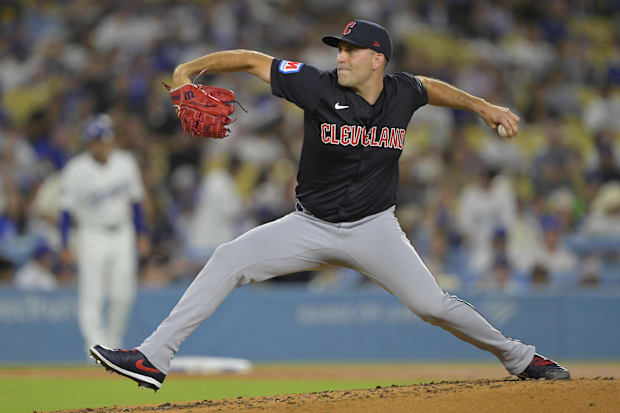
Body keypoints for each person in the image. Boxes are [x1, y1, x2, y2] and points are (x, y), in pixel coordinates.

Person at [89, 20, 569, 391]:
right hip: (309, 225)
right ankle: (154, 357)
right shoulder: (316, 86)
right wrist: (189, 70)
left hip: (374, 228)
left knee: (431, 304)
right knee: (227, 258)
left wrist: (484, 107)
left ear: (377, 59)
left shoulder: (402, 92)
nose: (340, 56)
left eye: (350, 50)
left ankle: (522, 358)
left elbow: (433, 87)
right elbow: (253, 60)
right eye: (338, 49)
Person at [60, 114, 150, 354]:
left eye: (106, 140)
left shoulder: (125, 162)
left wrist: (143, 234)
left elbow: (136, 202)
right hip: (91, 234)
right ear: (89, 142)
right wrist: (65, 244)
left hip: (122, 232)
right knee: (92, 293)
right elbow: (66, 211)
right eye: (98, 140)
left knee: (123, 294)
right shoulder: (75, 169)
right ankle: (95, 347)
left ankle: (113, 342)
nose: (103, 144)